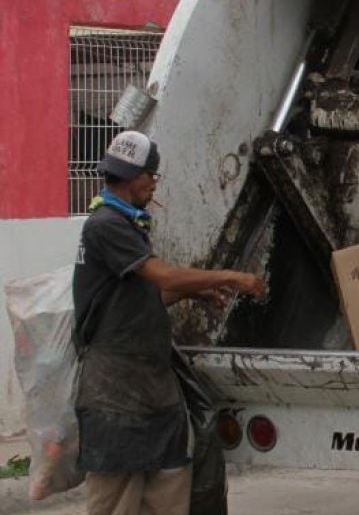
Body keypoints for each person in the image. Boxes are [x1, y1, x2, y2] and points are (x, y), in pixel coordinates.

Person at [73, 130, 268, 515]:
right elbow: (163, 277)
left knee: (169, 489)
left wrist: (195, 292)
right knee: (116, 499)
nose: (153, 185)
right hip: (116, 391)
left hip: (151, 387)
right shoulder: (106, 225)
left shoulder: (127, 226)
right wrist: (229, 277)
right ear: (136, 177)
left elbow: (148, 296)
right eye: (153, 177)